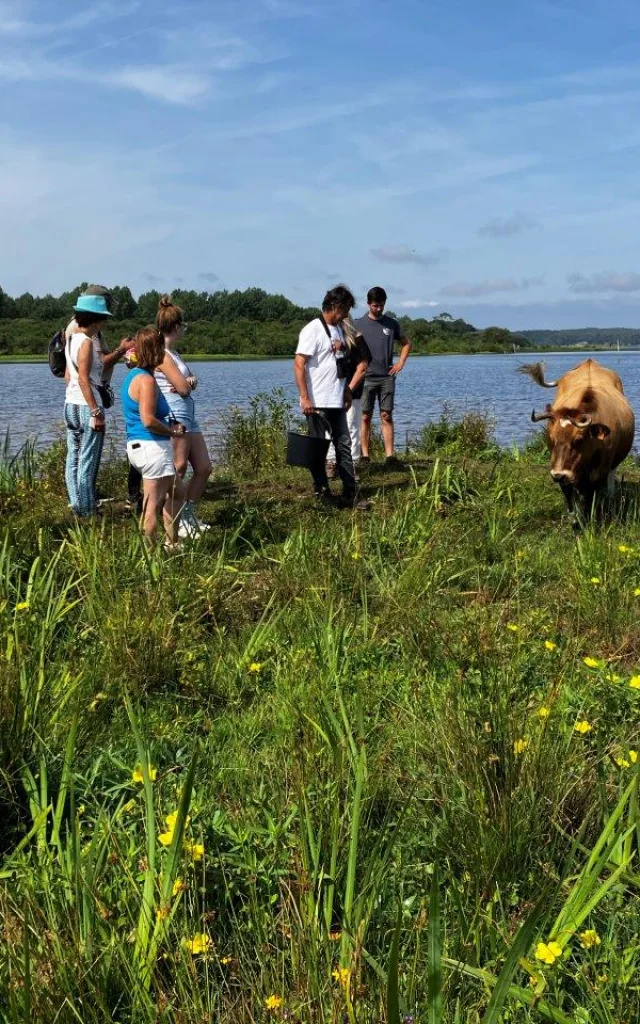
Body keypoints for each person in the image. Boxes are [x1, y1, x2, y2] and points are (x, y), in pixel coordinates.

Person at [294, 285, 369, 509]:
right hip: (317, 403)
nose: (347, 314)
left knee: (343, 446)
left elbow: (341, 365)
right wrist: (305, 398)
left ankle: (350, 492)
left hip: (337, 399)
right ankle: (322, 491)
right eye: (346, 308)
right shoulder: (312, 329)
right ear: (336, 306)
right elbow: (299, 364)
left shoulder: (338, 329)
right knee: (318, 450)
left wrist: (346, 390)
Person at [121, 326, 186, 548]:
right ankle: (149, 557)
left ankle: (171, 543)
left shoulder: (133, 375)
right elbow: (148, 419)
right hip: (152, 448)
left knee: (178, 492)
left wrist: (169, 423)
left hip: (141, 446)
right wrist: (172, 432)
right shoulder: (146, 381)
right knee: (152, 505)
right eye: (160, 350)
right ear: (154, 352)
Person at [155, 295, 213, 538]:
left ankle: (187, 515)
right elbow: (183, 387)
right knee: (178, 469)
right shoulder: (162, 354)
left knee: (204, 467)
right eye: (183, 327)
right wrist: (186, 383)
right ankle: (173, 524)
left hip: (188, 412)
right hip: (176, 413)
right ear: (176, 327)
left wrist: (187, 382)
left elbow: (187, 383)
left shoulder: (174, 353)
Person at [64, 293, 118, 517]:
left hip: (70, 404)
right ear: (95, 319)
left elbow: (70, 375)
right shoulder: (86, 342)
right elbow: (84, 378)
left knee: (73, 456)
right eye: (103, 318)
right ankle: (87, 510)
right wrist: (96, 410)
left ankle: (77, 505)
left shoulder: (71, 339)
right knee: (87, 459)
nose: (105, 322)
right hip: (86, 406)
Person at [355, 286, 412, 468]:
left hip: (387, 377)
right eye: (374, 305)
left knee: (386, 415)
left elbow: (406, 344)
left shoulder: (392, 324)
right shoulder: (358, 324)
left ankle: (390, 456)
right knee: (365, 416)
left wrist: (400, 364)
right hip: (366, 378)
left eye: (381, 305)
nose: (378, 309)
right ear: (368, 304)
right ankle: (364, 456)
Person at [325, 315, 371, 477]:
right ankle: (331, 462)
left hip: (353, 391)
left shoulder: (357, 340)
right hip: (331, 391)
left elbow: (363, 367)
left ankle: (351, 464)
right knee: (329, 427)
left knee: (351, 427)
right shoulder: (329, 338)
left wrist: (349, 390)